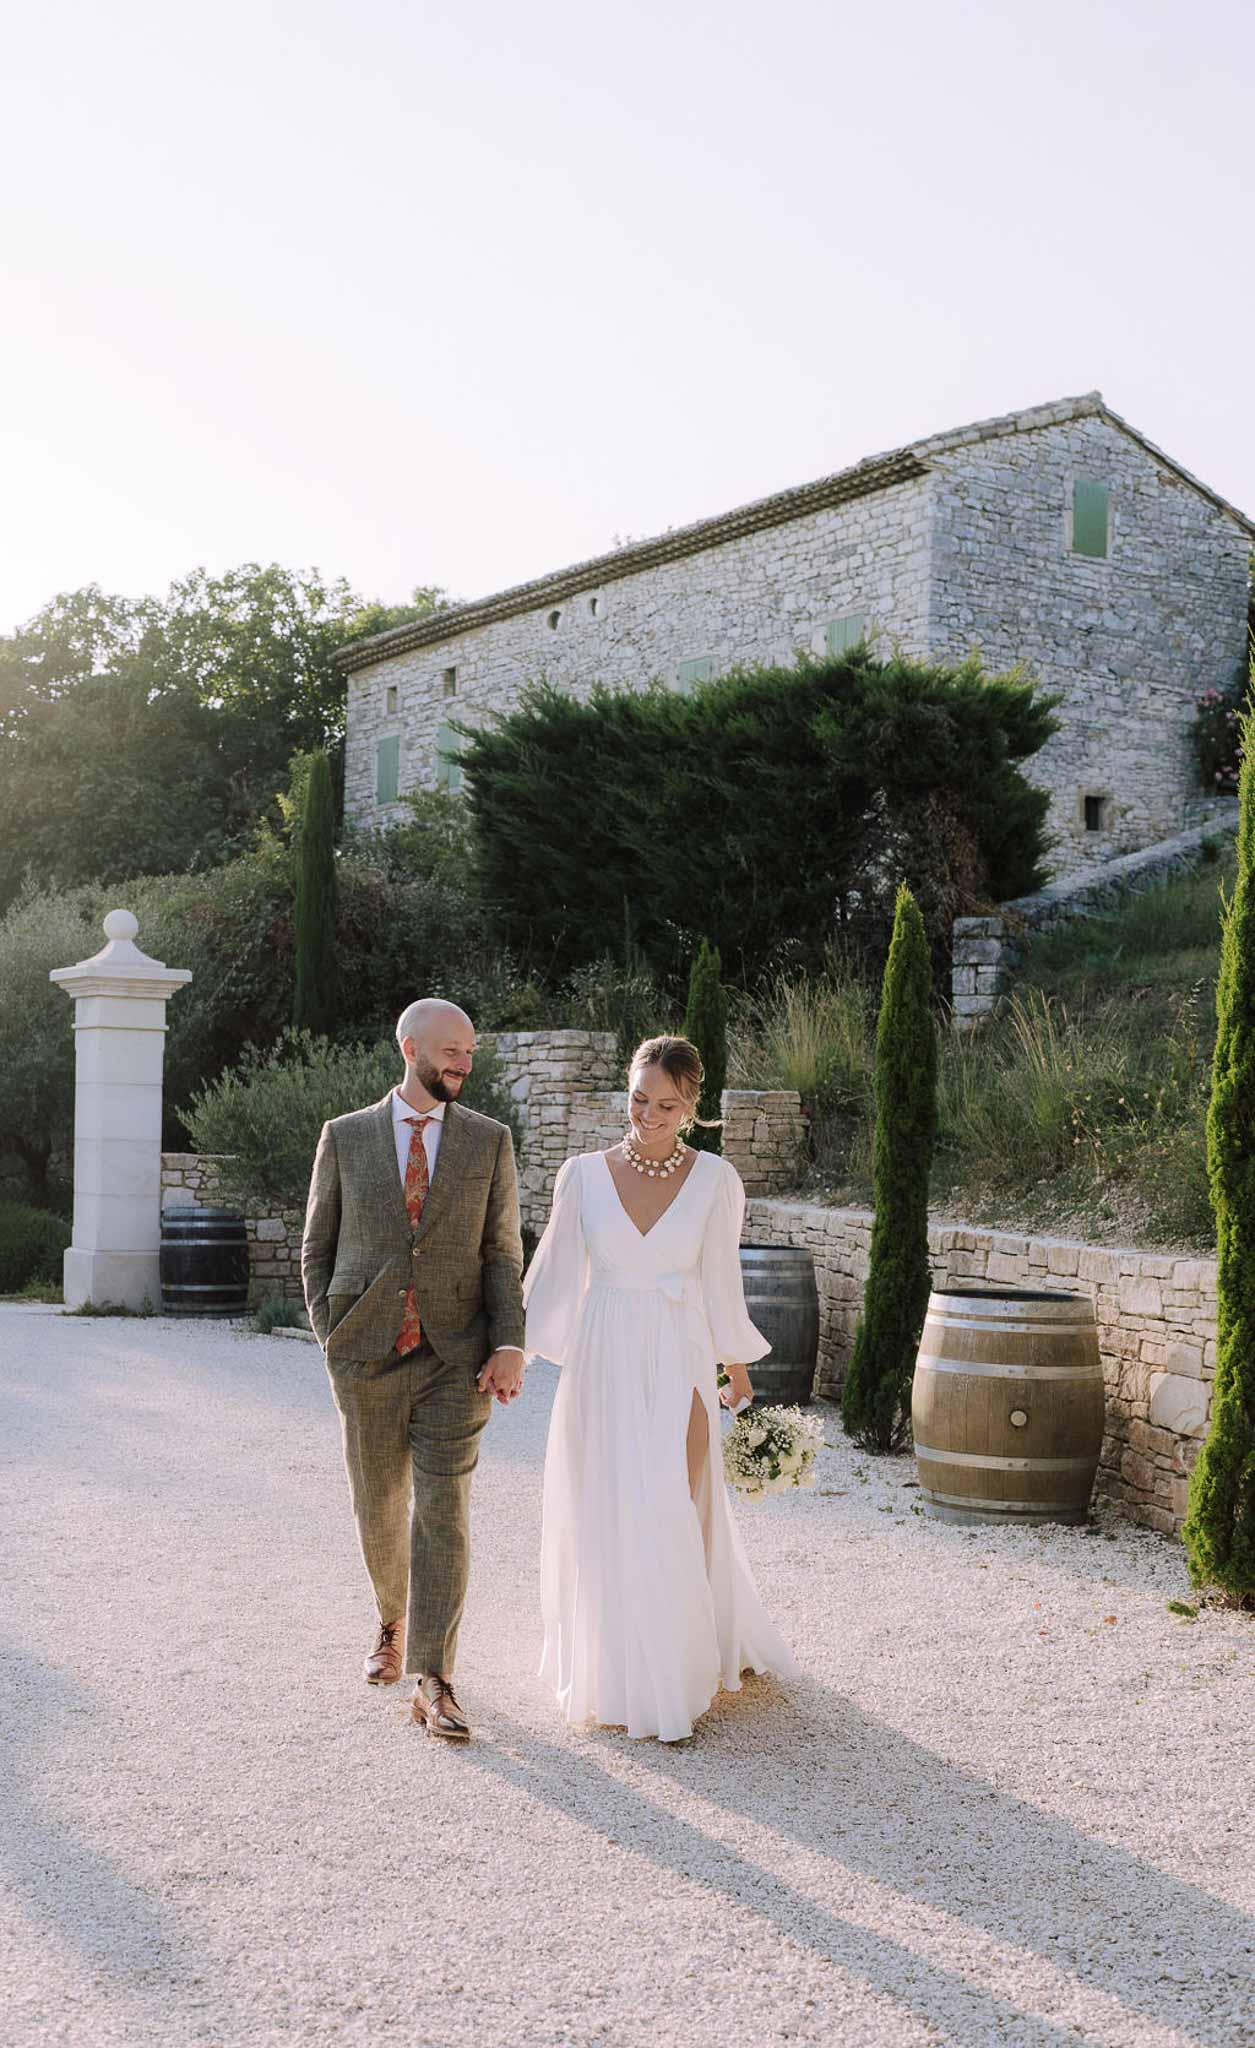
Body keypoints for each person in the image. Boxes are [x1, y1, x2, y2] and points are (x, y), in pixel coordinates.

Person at [523, 1033, 800, 1742]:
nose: (648, 1115)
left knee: (672, 1500)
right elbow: (553, 1274)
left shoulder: (716, 1181)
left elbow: (718, 1281)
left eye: (666, 1104)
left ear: (691, 1107)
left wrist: (736, 1365)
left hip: (679, 1352)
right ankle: (617, 1669)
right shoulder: (580, 1176)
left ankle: (675, 1672)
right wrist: (513, 1353)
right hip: (604, 1356)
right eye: (640, 1098)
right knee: (610, 1504)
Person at [302, 998, 525, 1741]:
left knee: (443, 1510)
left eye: (470, 1051)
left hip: (456, 1358)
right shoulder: (346, 1136)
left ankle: (434, 1677)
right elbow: (316, 1249)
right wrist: (331, 1337)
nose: (464, 1061)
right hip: (365, 1353)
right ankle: (390, 1621)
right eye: (452, 1049)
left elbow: (502, 1252)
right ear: (409, 1047)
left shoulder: (490, 1142)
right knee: (378, 1507)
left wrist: (509, 1342)